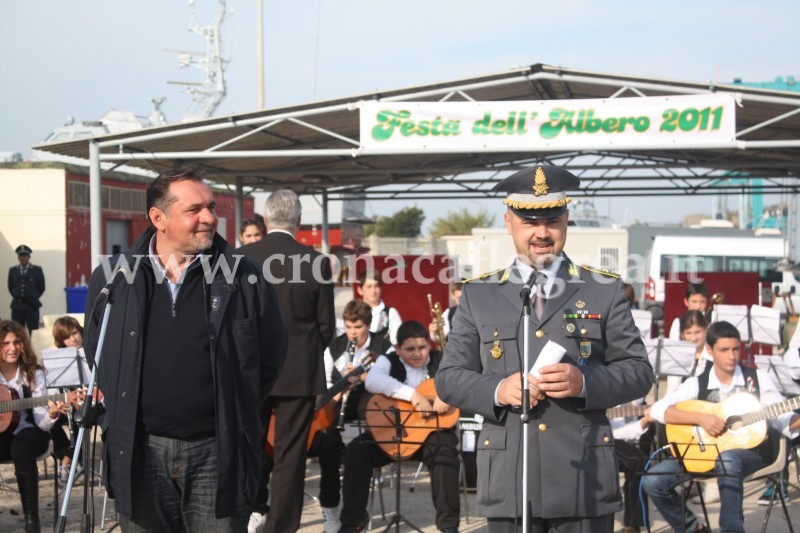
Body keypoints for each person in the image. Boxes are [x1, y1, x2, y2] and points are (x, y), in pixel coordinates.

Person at [435, 164, 654, 532]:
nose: (542, 233)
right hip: (509, 480)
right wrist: (498, 389)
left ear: (567, 219)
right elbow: (449, 379)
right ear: (508, 223)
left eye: (552, 221)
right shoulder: (478, 294)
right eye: (529, 223)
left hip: (582, 480)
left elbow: (639, 372)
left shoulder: (602, 289)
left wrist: (584, 382)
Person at [83, 169, 287, 531]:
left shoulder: (243, 276)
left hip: (218, 454)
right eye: (195, 209)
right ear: (158, 218)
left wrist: (235, 411)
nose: (209, 217)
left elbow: (271, 355)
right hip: (139, 452)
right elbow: (98, 352)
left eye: (210, 207)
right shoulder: (113, 277)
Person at [238, 189, 336, 533]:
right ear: (298, 221)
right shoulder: (317, 262)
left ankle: (242, 518)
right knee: (290, 458)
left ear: (265, 221)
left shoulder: (240, 258)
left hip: (249, 373)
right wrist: (304, 351)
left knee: (246, 450)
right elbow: (327, 328)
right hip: (298, 373)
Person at [642, 321, 800, 533]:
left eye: (736, 349)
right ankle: (693, 528)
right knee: (652, 481)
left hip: (754, 454)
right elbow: (659, 409)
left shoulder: (758, 379)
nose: (732, 356)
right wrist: (700, 419)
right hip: (703, 454)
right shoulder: (699, 382)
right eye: (724, 350)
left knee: (727, 460)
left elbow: (783, 419)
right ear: (709, 350)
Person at [339, 320, 461, 533]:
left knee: (445, 453)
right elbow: (372, 381)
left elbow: (462, 381)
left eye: (422, 347)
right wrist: (413, 395)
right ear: (398, 349)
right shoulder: (388, 360)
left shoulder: (441, 360)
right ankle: (353, 524)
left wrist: (449, 395)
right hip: (392, 435)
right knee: (356, 451)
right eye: (410, 349)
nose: (417, 354)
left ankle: (448, 527)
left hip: (432, 436)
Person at [306, 299, 392, 532]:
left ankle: (356, 514)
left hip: (369, 400)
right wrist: (340, 386)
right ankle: (331, 509)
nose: (353, 334)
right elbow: (321, 384)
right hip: (337, 401)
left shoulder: (384, 347)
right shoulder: (334, 346)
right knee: (328, 443)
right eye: (349, 327)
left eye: (358, 328)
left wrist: (364, 379)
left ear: (368, 325)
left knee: (361, 447)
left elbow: (391, 381)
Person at [0, 320, 71, 532]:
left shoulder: (34, 373)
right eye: (5, 343)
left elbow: (42, 423)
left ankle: (32, 520)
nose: (12, 348)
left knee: (20, 446)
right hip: (3, 434)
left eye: (17, 342)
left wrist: (51, 414)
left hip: (32, 432)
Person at [49, 316, 86, 484]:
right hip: (69, 402)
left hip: (94, 403)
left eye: (75, 333)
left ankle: (67, 462)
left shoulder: (92, 352)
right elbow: (53, 388)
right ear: (60, 341)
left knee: (79, 419)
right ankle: (68, 456)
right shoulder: (58, 360)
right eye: (67, 337)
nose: (73, 339)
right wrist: (60, 405)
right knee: (51, 424)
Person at [610, 401, 652, 533]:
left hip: (603, 439)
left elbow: (617, 432)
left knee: (638, 460)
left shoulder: (609, 392)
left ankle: (632, 524)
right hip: (569, 439)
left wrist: (643, 423)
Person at [356, 270, 402, 344]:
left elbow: (398, 342)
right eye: (369, 287)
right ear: (360, 290)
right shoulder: (354, 313)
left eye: (376, 286)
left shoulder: (390, 313)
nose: (373, 291)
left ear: (381, 288)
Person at [7, 245, 45, 333]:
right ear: (18, 257)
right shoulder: (13, 270)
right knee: (17, 331)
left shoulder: (36, 270)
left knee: (34, 331)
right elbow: (10, 287)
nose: (23, 258)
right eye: (21, 255)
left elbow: (41, 287)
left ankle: (33, 347)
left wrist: (32, 296)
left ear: (29, 256)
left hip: (31, 306)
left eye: (25, 255)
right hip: (17, 306)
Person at [429, 281, 463, 346]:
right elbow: (441, 337)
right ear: (452, 296)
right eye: (458, 298)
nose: (461, 301)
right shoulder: (448, 313)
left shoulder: (475, 312)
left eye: (463, 298)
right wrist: (434, 332)